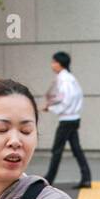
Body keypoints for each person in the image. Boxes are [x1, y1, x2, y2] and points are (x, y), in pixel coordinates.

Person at [40, 51, 91, 188]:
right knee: (76, 149)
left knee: (57, 150)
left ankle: (49, 179)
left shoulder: (64, 80)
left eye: (53, 62)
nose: (52, 65)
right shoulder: (71, 78)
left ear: (59, 63)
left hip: (67, 120)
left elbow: (65, 100)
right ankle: (86, 178)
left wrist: (51, 108)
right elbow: (77, 97)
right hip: (73, 118)